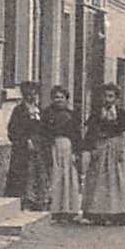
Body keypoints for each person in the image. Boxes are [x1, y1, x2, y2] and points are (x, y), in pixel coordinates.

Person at [81, 83, 125, 225]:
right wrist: (91, 148)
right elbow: (90, 132)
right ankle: (97, 212)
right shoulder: (96, 113)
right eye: (105, 96)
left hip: (116, 147)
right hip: (101, 147)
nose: (107, 100)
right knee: (99, 180)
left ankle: (119, 212)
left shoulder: (121, 113)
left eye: (111, 96)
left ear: (115, 98)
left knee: (119, 178)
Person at [4, 82, 50, 210]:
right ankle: (23, 201)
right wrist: (25, 141)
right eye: (29, 94)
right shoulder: (19, 110)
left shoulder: (39, 110)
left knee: (39, 173)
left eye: (34, 94)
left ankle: (38, 200)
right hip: (23, 148)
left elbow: (44, 128)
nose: (32, 97)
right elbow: (12, 130)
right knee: (23, 174)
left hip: (39, 146)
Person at [40, 86, 82, 222]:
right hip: (53, 146)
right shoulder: (46, 114)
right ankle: (56, 209)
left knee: (69, 178)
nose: (59, 100)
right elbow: (43, 133)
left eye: (61, 97)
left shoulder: (72, 114)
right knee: (56, 177)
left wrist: (77, 151)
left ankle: (69, 209)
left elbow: (76, 134)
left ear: (66, 99)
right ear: (52, 99)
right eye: (56, 97)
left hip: (68, 147)